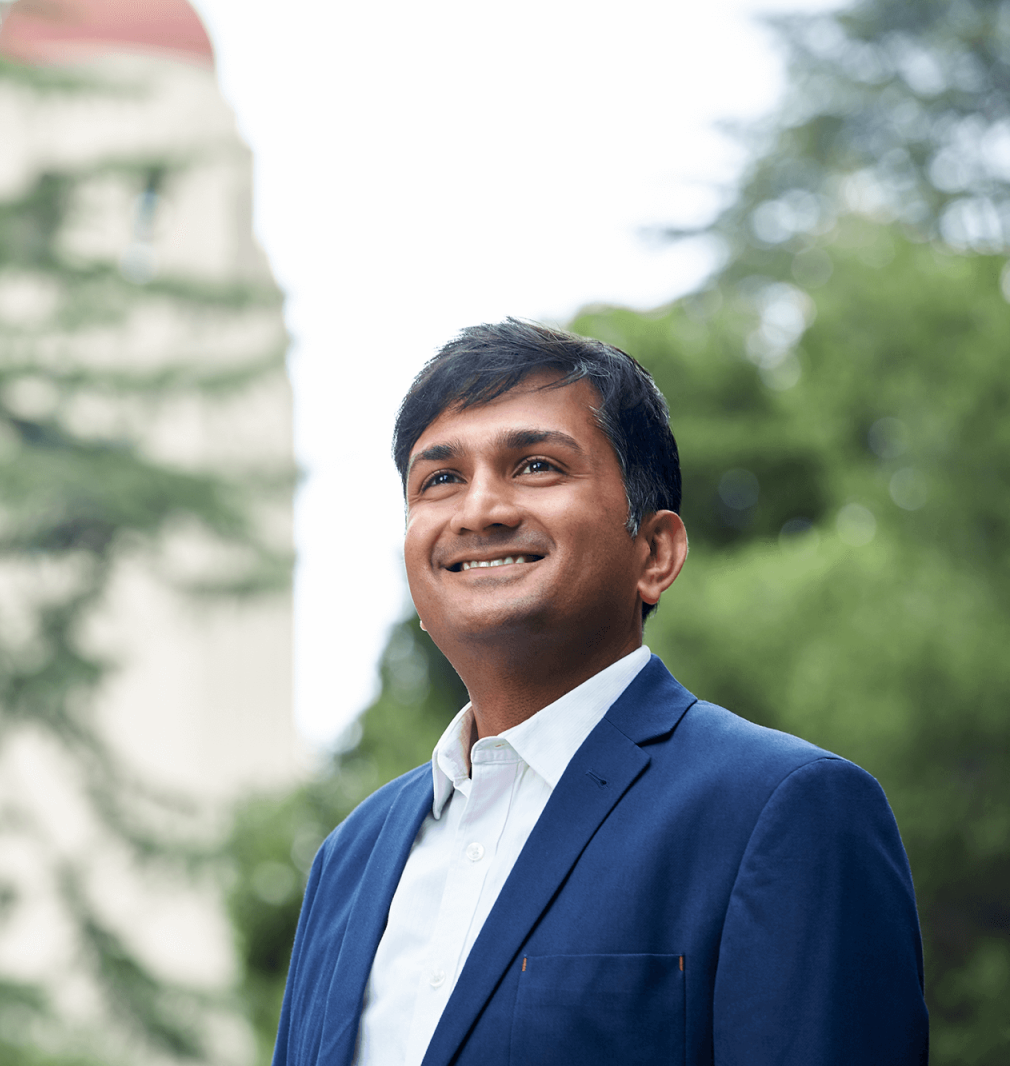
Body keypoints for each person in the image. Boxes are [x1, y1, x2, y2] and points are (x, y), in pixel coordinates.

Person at [272, 320, 927, 1066]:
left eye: (537, 466)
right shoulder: (348, 859)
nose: (479, 509)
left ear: (655, 552)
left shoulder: (784, 812)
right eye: (441, 479)